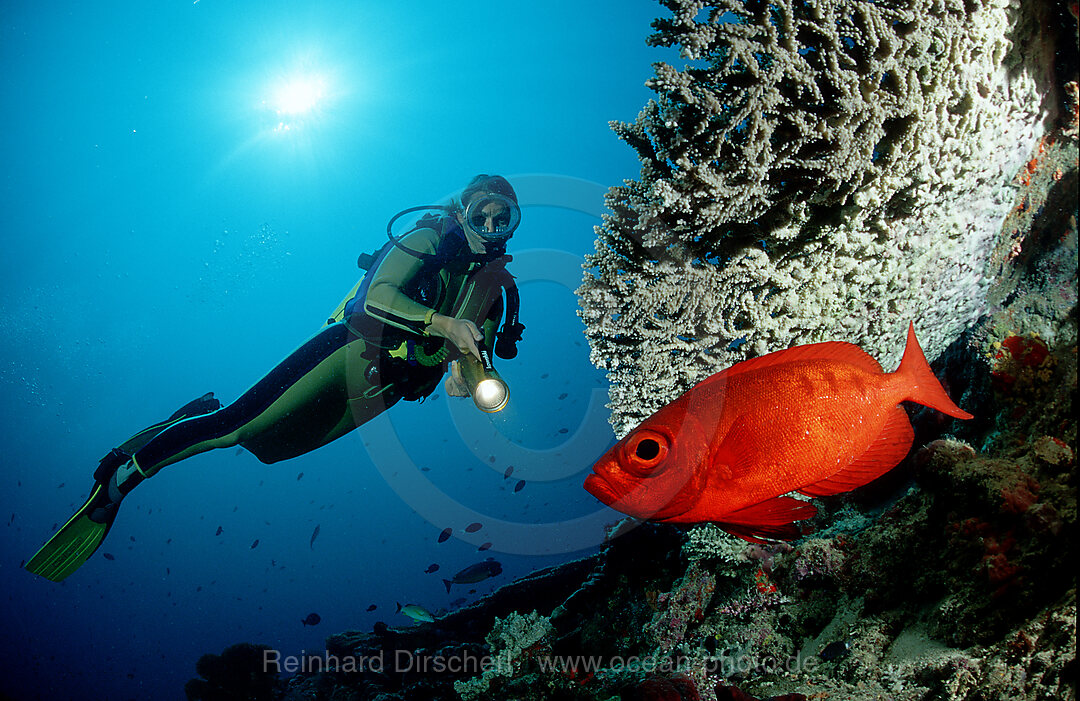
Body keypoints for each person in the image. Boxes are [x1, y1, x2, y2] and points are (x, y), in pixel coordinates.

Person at [25, 174, 525, 582]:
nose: (490, 223)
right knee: (235, 428)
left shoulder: (496, 291)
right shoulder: (426, 239)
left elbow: (474, 351)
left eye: (503, 217)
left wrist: (473, 374)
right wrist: (442, 325)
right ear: (462, 209)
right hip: (351, 349)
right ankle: (115, 483)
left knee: (269, 446)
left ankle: (184, 420)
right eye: (482, 210)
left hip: (386, 390)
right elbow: (374, 298)